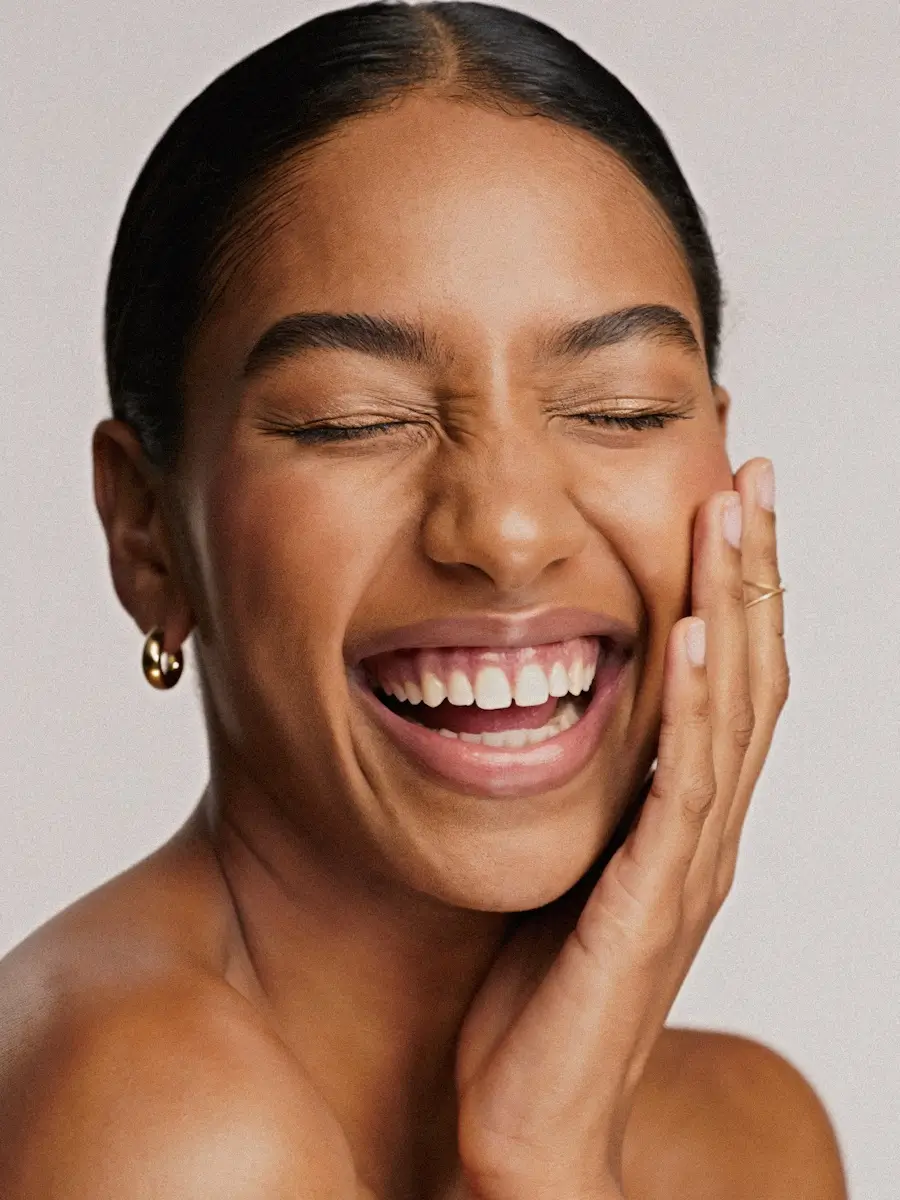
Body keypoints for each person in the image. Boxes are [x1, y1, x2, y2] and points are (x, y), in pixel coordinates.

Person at [0, 3, 847, 1197]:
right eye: (355, 420)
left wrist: (548, 1148)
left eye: (622, 410)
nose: (505, 533)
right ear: (145, 531)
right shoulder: (153, 1118)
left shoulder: (751, 1135)